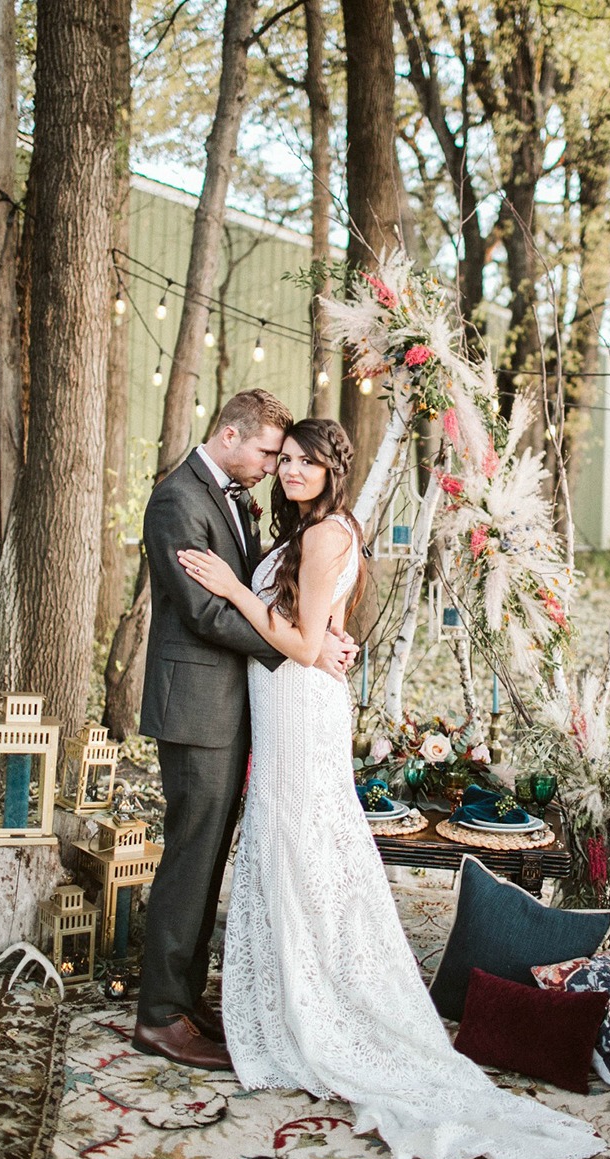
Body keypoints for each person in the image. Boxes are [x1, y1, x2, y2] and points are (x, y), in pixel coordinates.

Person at [177, 417, 605, 1159]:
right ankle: (295, 995)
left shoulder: (325, 535)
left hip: (299, 703)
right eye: (289, 461)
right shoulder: (323, 529)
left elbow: (306, 645)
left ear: (333, 469)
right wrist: (310, 623)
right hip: (289, 702)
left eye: (308, 462)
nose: (293, 472)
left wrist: (235, 591)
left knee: (303, 846)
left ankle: (325, 1007)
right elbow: (326, 630)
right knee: (293, 847)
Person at [133, 390, 356, 1072]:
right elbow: (204, 609)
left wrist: (316, 637)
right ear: (230, 435)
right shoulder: (179, 500)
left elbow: (271, 591)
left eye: (287, 458)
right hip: (196, 710)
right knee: (189, 858)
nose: (272, 467)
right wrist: (300, 647)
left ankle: (186, 994)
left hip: (233, 709)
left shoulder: (231, 495)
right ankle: (159, 1016)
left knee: (207, 859)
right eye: (268, 453)